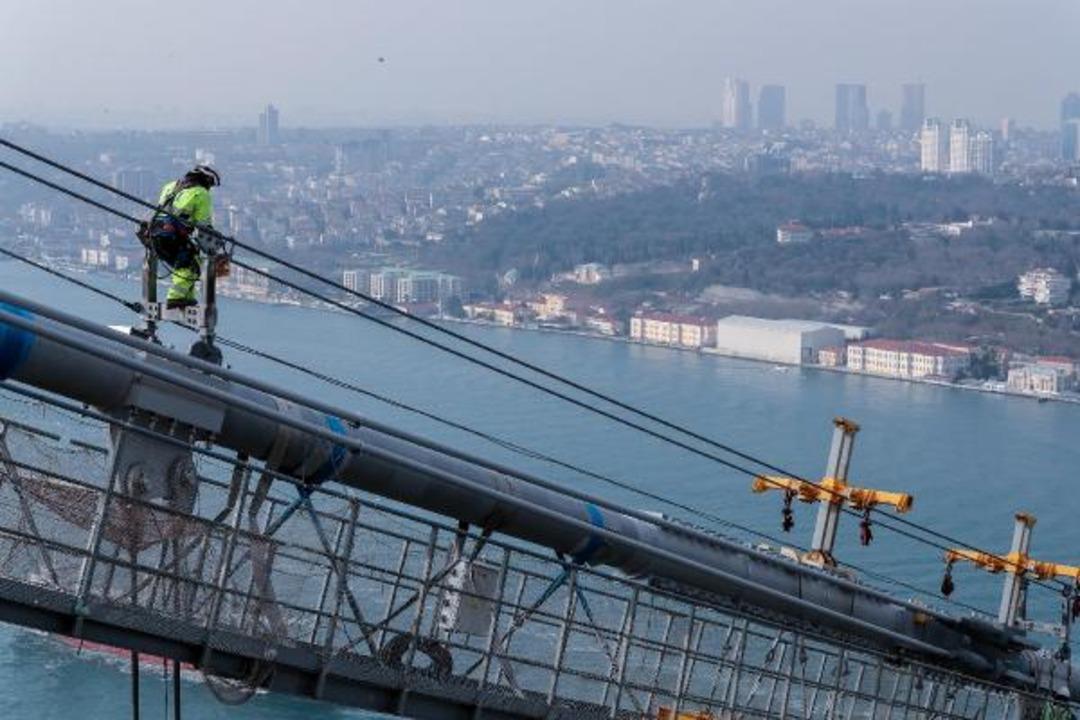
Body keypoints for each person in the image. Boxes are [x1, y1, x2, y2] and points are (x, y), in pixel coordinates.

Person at [145, 165, 220, 309]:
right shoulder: (201, 193)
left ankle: (188, 298)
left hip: (155, 234)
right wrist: (213, 239)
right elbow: (203, 224)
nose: (210, 187)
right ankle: (176, 297)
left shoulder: (171, 186)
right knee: (189, 265)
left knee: (186, 263)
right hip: (172, 236)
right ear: (205, 180)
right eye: (210, 183)